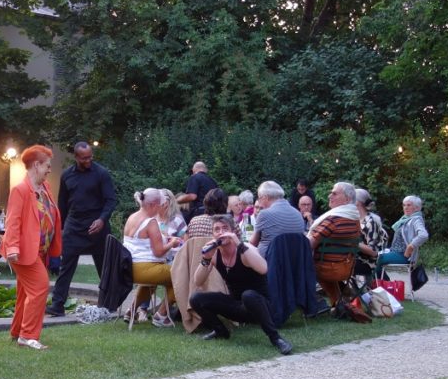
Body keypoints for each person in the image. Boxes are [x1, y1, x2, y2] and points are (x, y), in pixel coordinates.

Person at [189, 215, 293, 355]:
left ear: (234, 232)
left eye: (225, 228)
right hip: (237, 305)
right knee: (196, 298)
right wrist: (206, 259)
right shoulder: (215, 254)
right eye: (217, 229)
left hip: (261, 306)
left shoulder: (245, 249)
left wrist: (240, 244)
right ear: (213, 234)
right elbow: (198, 281)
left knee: (248, 295)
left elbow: (263, 269)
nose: (221, 232)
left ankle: (276, 338)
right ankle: (220, 331)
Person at [46, 142, 117, 317]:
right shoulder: (67, 175)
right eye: (85, 158)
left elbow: (111, 200)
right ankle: (57, 305)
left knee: (104, 267)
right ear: (76, 157)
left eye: (90, 157)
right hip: (74, 225)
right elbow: (62, 204)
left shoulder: (101, 173)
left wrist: (101, 220)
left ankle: (110, 303)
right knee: (66, 266)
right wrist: (60, 228)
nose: (89, 160)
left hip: (97, 226)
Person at [2, 145, 62, 350]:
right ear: (36, 165)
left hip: (39, 250)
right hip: (23, 251)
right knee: (39, 287)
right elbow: (13, 221)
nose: (49, 169)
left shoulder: (44, 188)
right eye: (47, 165)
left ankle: (18, 330)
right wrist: (11, 248)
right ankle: (27, 336)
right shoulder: (20, 190)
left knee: (25, 291)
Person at [122, 188, 181, 326]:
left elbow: (141, 241)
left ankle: (131, 311)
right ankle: (161, 315)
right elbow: (159, 252)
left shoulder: (132, 217)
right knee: (181, 274)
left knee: (153, 282)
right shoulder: (151, 222)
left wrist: (164, 238)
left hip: (130, 268)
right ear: (153, 205)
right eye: (161, 205)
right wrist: (172, 243)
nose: (161, 208)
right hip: (145, 268)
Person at [307, 181, 361, 306]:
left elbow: (309, 245)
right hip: (346, 268)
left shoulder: (333, 219)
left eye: (334, 193)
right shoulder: (355, 218)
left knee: (296, 263)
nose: (329, 196)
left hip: (327, 269)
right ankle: (341, 300)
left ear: (347, 199)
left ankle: (302, 303)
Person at [249, 180, 305, 258]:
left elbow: (252, 243)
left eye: (259, 198)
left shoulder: (264, 214)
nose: (260, 203)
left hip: (269, 264)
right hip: (293, 262)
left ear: (266, 197)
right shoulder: (298, 214)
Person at [377, 195, 429, 274]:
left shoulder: (416, 219)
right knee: (372, 255)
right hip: (395, 252)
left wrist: (410, 246)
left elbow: (424, 235)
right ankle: (383, 283)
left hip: (404, 256)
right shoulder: (405, 219)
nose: (405, 207)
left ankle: (381, 284)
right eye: (404, 205)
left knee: (376, 258)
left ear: (417, 208)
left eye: (409, 205)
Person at [355, 188, 388, 280]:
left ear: (357, 202)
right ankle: (347, 292)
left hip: (367, 264)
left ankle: (345, 292)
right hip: (354, 259)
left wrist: (352, 242)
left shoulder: (371, 222)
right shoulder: (354, 219)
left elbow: (373, 252)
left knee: (333, 266)